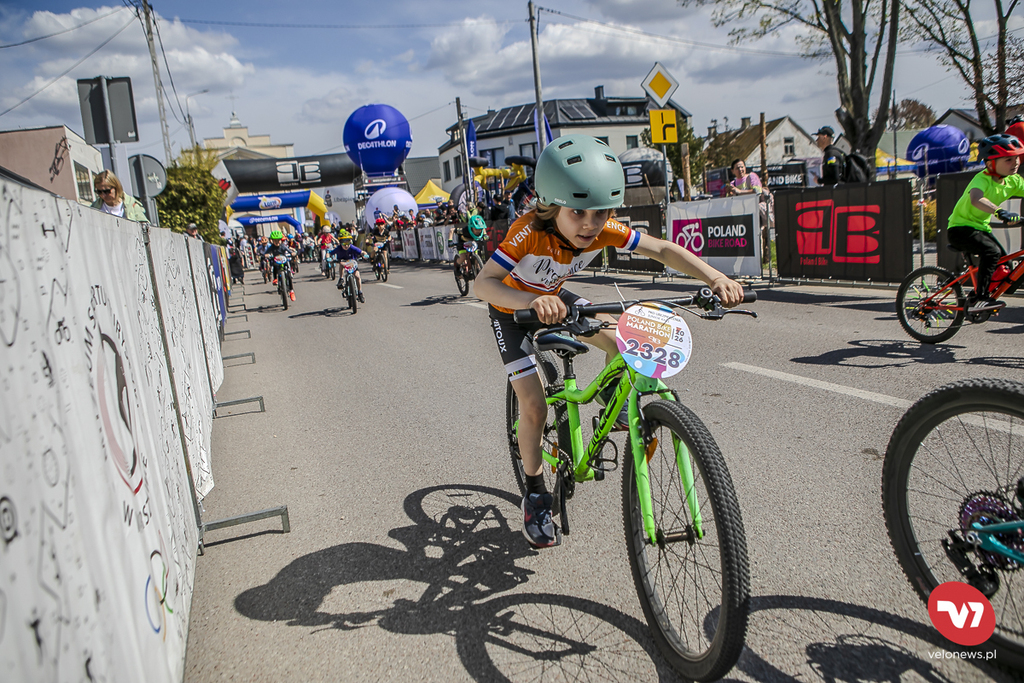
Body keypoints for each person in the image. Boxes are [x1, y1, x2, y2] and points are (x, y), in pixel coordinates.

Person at [473, 134, 744, 549]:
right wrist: (530, 301)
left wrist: (715, 277)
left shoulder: (602, 229)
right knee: (535, 405)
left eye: (600, 212)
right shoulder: (527, 232)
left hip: (555, 298)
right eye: (578, 212)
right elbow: (483, 283)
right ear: (551, 204)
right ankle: (536, 495)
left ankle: (611, 401)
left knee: (623, 339)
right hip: (513, 310)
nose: (590, 224)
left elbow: (662, 250)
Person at [946, 133, 1024, 313]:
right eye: (1008, 160)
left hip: (981, 229)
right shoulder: (982, 179)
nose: (1015, 163)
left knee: (1005, 267)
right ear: (990, 164)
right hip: (960, 229)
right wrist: (999, 211)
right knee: (992, 252)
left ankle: (976, 297)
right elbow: (976, 199)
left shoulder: (1013, 181)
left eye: (1017, 158)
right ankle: (980, 299)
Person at [330, 229, 367, 302]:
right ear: (340, 243)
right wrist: (328, 257)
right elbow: (330, 253)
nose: (346, 245)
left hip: (352, 263)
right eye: (344, 243)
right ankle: (341, 279)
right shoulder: (339, 248)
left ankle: (360, 292)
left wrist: (364, 254)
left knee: (357, 276)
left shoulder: (352, 247)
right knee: (341, 263)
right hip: (343, 262)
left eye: (348, 242)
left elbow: (361, 252)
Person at [266, 230, 296, 301]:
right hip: (276, 261)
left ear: (281, 240)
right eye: (275, 241)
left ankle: (291, 291)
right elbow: (266, 252)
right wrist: (266, 255)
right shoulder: (271, 247)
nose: (277, 242)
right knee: (274, 267)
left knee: (288, 275)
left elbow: (288, 250)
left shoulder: (283, 246)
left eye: (278, 240)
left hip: (284, 261)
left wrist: (292, 253)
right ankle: (275, 279)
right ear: (272, 241)